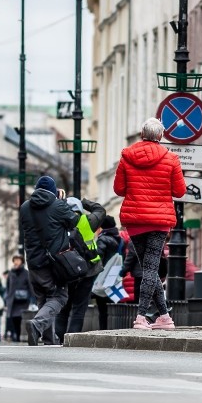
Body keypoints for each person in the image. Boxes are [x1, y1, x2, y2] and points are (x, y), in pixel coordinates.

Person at [114, 117, 186, 330]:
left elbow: (119, 189)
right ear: (161, 136)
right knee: (150, 267)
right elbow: (179, 191)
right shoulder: (171, 159)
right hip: (160, 219)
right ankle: (142, 317)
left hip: (135, 220)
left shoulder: (126, 157)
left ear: (141, 134)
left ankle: (163, 317)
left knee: (149, 267)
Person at [21, 175, 78, 345]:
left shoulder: (24, 207)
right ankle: (37, 325)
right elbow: (73, 221)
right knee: (59, 297)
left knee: (43, 299)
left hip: (32, 261)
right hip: (54, 262)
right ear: (54, 191)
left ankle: (48, 338)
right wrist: (63, 201)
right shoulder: (58, 205)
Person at [55, 196, 106, 343]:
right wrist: (84, 201)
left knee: (63, 308)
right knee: (79, 308)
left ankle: (58, 339)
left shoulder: (58, 223)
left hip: (66, 271)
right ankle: (72, 339)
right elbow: (100, 210)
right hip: (87, 270)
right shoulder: (88, 221)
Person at [94, 215, 123, 330]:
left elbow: (98, 258)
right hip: (115, 276)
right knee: (113, 306)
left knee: (102, 309)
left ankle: (103, 329)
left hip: (103, 277)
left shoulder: (103, 239)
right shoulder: (119, 239)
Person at [4, 255, 31, 342]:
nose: (16, 262)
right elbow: (8, 287)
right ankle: (15, 335)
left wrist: (32, 299)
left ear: (22, 261)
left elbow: (30, 287)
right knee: (13, 318)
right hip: (12, 301)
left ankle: (19, 335)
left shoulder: (26, 273)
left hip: (23, 301)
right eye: (15, 260)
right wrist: (7, 299)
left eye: (18, 260)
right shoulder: (11, 273)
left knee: (20, 318)